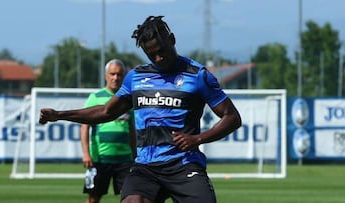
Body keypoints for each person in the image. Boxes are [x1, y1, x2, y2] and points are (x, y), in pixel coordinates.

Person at [39, 16, 242, 203]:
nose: (159, 58)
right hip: (146, 167)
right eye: (151, 54)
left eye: (161, 50)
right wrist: (60, 115)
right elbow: (106, 112)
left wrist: (197, 139)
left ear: (172, 39)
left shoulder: (198, 75)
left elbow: (231, 117)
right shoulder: (136, 77)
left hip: (184, 164)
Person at [80, 59, 136, 203]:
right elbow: (84, 126)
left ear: (124, 76)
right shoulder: (95, 98)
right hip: (100, 159)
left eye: (119, 74)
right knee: (93, 198)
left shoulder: (128, 99)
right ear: (106, 76)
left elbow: (132, 130)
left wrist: (136, 155)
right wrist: (86, 153)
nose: (115, 78)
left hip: (124, 159)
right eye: (112, 74)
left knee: (130, 196)